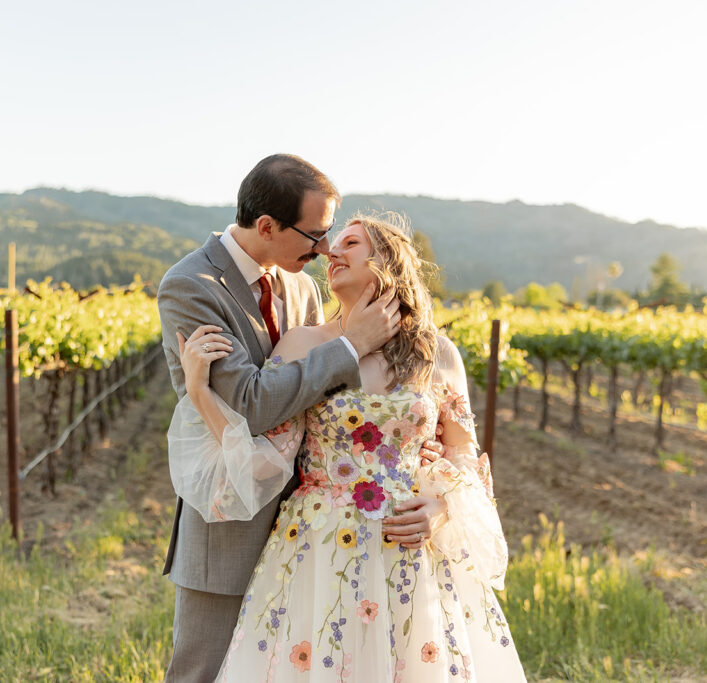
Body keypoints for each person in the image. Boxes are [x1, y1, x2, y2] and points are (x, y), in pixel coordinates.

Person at [170, 212, 526, 681]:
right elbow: (263, 464)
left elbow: (463, 453)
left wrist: (440, 507)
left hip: (408, 551)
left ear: (388, 262)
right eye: (331, 243)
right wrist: (200, 393)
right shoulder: (303, 343)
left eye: (350, 242)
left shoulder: (437, 354)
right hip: (318, 546)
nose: (331, 252)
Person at [157, 155, 441, 683]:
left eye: (333, 234)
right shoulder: (190, 285)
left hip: (309, 531)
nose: (325, 248)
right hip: (234, 524)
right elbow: (251, 403)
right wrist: (354, 344)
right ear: (267, 226)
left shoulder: (303, 288)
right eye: (315, 234)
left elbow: (321, 395)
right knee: (203, 672)